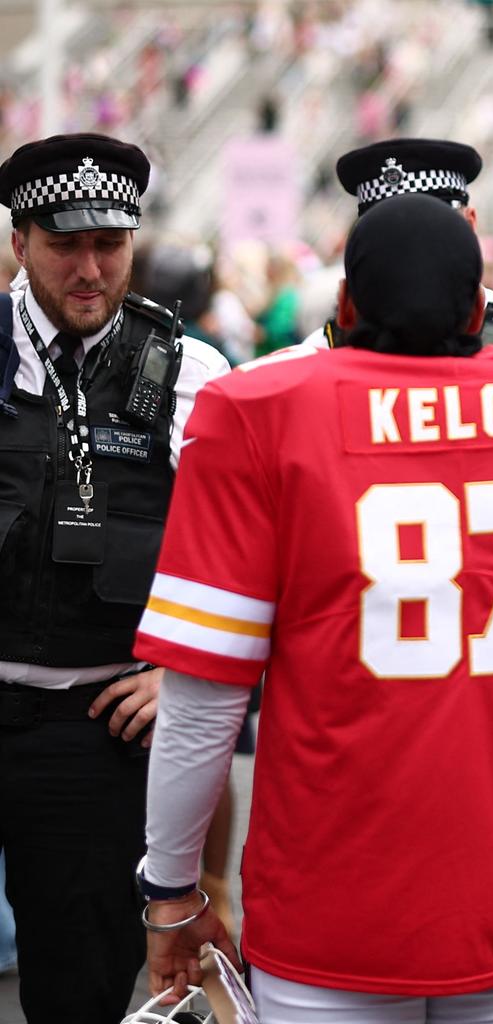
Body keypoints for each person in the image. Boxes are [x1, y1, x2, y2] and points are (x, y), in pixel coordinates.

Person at [132, 192, 493, 1024]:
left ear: (344, 308)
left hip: (328, 917)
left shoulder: (257, 411)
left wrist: (171, 888)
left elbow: (201, 703)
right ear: (481, 309)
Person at [0, 132, 229, 1022]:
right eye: (65, 244)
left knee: (80, 989)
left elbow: (243, 558)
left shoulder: (190, 374)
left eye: (111, 243)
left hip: (92, 737)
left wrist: (187, 669)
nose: (91, 269)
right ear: (20, 242)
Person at [301, 137, 493, 373]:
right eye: (388, 233)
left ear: (471, 224)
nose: (410, 250)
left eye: (431, 230)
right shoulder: (318, 350)